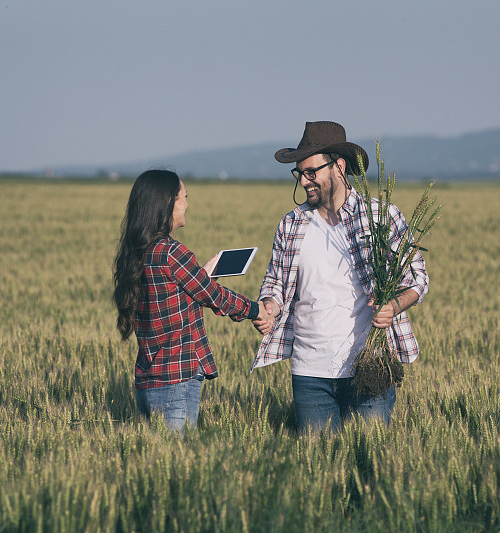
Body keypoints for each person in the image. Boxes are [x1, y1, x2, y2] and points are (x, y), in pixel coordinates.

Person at [251, 121, 429, 433]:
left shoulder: (381, 216)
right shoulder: (291, 224)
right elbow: (276, 283)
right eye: (299, 173)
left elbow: (417, 277)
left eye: (311, 172)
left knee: (368, 466)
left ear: (339, 166)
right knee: (319, 470)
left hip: (369, 368)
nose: (305, 181)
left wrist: (394, 306)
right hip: (309, 374)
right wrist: (268, 306)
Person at [113, 169, 269, 432]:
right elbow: (214, 296)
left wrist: (202, 277)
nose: (187, 203)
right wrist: (255, 310)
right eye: (184, 196)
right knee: (176, 465)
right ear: (168, 204)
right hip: (177, 379)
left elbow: (173, 299)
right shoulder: (172, 252)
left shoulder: (139, 252)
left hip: (147, 381)